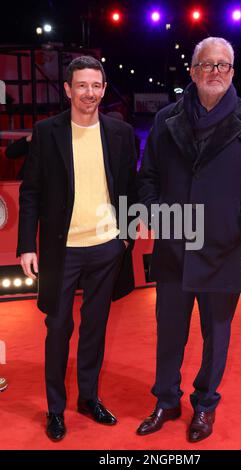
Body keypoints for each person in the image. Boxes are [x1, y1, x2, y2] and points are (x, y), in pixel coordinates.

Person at [137, 37, 241, 442]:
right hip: (173, 248)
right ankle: (165, 400)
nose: (214, 72)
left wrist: (234, 224)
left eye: (222, 65)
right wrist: (158, 219)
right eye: (206, 64)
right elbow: (146, 179)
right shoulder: (166, 119)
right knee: (169, 334)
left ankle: (204, 406)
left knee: (216, 337)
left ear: (232, 72)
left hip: (222, 250)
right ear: (193, 71)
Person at [17, 56, 137, 441]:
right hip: (61, 250)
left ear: (104, 89)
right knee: (58, 329)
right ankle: (55, 408)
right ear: (68, 89)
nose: (90, 93)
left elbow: (129, 189)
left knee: (95, 330)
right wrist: (26, 246)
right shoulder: (48, 131)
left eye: (97, 86)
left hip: (106, 248)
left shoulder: (120, 132)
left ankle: (88, 398)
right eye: (82, 85)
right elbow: (31, 192)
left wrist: (126, 236)